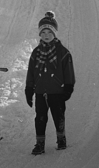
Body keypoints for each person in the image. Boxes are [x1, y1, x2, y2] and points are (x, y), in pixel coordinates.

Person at [24, 11, 75, 155]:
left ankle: (61, 139)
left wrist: (68, 87)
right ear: (40, 34)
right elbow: (31, 72)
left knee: (58, 117)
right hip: (41, 92)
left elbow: (69, 72)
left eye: (49, 32)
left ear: (55, 33)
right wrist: (29, 88)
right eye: (43, 32)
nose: (46, 35)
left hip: (57, 92)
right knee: (40, 118)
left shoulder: (63, 53)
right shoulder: (36, 53)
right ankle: (40, 144)